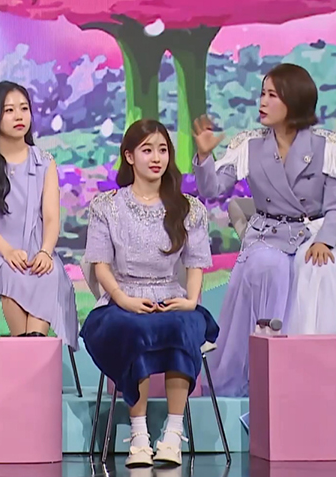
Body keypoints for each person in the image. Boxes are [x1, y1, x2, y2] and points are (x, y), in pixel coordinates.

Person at [192, 63, 336, 398]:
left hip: (311, 232)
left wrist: (324, 241)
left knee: (320, 267)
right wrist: (204, 156)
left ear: (294, 100)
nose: (262, 101)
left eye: (272, 95)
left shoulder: (329, 147)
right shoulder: (250, 145)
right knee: (266, 266)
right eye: (262, 93)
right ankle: (261, 373)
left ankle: (313, 376)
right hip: (267, 235)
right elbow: (212, 188)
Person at [80, 119, 219, 467]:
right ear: (129, 156)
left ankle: (173, 434)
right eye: (147, 150)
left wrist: (190, 301)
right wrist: (123, 299)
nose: (156, 158)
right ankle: (139, 434)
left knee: (182, 326)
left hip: (171, 295)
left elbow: (196, 264)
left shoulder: (188, 208)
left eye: (162, 150)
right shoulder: (107, 206)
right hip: (121, 297)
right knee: (134, 330)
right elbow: (100, 265)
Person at [0, 81, 78, 347]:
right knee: (11, 274)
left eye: (24, 108)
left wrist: (45, 252)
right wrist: (7, 251)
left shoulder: (45, 162)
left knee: (48, 273)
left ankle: (30, 347)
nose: (19, 116)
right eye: (9, 110)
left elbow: (51, 218)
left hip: (37, 250)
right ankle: (29, 351)